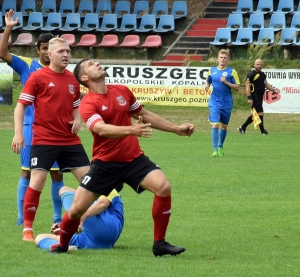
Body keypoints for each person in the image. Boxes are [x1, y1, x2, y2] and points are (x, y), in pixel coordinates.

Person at [49, 59, 195, 257]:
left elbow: (144, 114)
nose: (97, 63)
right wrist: (131, 130)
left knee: (163, 187)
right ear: (84, 78)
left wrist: (176, 129)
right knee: (75, 210)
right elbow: (100, 129)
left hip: (133, 159)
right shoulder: (88, 103)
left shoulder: (122, 91)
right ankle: (63, 246)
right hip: (105, 164)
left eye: (96, 62)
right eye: (91, 64)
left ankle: (159, 244)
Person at [11, 37, 91, 242]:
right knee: (37, 180)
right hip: (44, 139)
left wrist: (77, 118)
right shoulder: (37, 77)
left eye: (68, 51)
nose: (66, 55)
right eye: (62, 51)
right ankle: (27, 229)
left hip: (69, 140)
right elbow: (20, 106)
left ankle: (81, 221)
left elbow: (75, 104)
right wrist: (18, 133)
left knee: (91, 181)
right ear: (49, 55)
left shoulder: (73, 80)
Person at [0, 10, 65, 228]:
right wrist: (9, 27)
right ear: (38, 50)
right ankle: (21, 218)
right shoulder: (27, 64)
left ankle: (57, 218)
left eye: (50, 48)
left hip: (55, 130)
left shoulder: (62, 70)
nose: (47, 52)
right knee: (27, 171)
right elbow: (1, 53)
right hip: (30, 127)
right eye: (44, 49)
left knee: (56, 175)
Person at [35, 186, 124, 251]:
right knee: (39, 238)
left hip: (107, 229)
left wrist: (82, 216)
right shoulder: (94, 194)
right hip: (98, 242)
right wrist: (65, 225)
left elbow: (102, 204)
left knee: (64, 190)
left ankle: (65, 234)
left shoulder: (110, 188)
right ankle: (63, 247)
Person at [205, 49, 240, 157]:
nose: (222, 59)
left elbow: (237, 87)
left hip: (226, 103)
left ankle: (220, 146)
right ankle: (215, 150)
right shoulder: (212, 70)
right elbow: (208, 80)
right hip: (214, 101)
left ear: (228, 59)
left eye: (225, 58)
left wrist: (226, 82)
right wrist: (207, 85)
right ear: (218, 59)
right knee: (215, 125)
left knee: (224, 127)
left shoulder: (232, 72)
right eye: (221, 57)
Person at [237, 59, 279, 135]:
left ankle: (242, 127)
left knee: (257, 114)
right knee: (260, 113)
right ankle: (262, 131)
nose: (259, 66)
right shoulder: (251, 75)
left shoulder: (263, 74)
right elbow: (247, 87)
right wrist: (249, 98)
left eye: (260, 64)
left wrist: (273, 90)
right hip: (254, 96)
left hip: (260, 96)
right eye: (257, 64)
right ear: (254, 65)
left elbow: (266, 84)